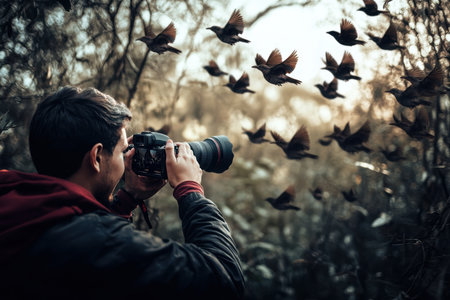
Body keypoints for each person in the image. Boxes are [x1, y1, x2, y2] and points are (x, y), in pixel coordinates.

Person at [0, 86, 245, 299]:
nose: (128, 157)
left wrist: (125, 200)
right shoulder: (100, 243)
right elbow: (224, 280)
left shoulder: (16, 204)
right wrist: (189, 189)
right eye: (122, 151)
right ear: (96, 157)